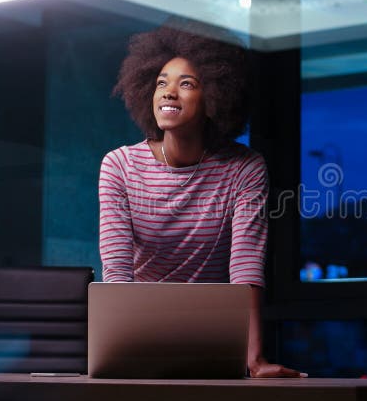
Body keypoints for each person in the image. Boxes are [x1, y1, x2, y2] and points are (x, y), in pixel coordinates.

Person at [99, 20, 305, 379]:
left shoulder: (244, 168)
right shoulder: (120, 166)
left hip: (216, 343)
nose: (168, 92)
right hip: (139, 338)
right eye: (161, 82)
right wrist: (119, 350)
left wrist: (254, 360)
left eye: (187, 84)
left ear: (215, 96)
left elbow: (246, 270)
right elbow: (117, 273)